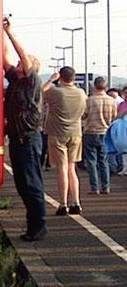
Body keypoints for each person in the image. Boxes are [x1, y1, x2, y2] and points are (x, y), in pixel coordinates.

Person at [2, 16, 46, 241]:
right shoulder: (16, 80)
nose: (18, 64)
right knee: (22, 185)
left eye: (23, 63)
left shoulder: (32, 80)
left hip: (28, 139)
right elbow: (4, 57)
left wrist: (10, 33)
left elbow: (21, 57)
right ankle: (33, 226)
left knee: (32, 184)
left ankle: (38, 227)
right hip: (18, 140)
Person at [43, 67, 87, 215]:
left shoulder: (55, 92)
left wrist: (50, 80)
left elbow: (38, 95)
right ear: (74, 78)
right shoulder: (81, 93)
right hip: (75, 133)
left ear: (60, 77)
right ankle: (76, 202)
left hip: (57, 133)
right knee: (72, 168)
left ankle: (63, 204)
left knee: (62, 168)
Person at [82, 77, 116, 194]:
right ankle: (106, 186)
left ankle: (94, 187)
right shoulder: (111, 101)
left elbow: (83, 116)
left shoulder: (89, 100)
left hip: (90, 132)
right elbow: (114, 117)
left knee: (91, 161)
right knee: (104, 161)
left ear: (94, 86)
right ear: (105, 87)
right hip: (105, 133)